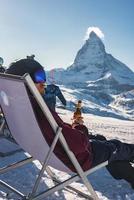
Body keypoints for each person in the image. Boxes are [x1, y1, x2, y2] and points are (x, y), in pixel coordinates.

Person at [6, 58, 134, 189]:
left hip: (49, 152)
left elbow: (55, 132)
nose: (43, 82)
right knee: (117, 147)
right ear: (23, 81)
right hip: (75, 159)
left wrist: (72, 129)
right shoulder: (39, 110)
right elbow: (78, 144)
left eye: (43, 76)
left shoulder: (14, 107)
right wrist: (79, 127)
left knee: (103, 141)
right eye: (39, 77)